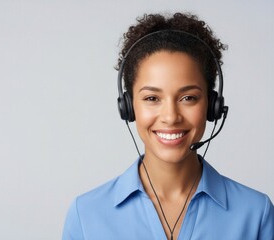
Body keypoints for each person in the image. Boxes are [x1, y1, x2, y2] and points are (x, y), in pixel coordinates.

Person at [62, 12, 274, 240]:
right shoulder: (86, 215)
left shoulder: (255, 213)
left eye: (188, 98)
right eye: (152, 98)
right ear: (128, 106)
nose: (171, 117)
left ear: (212, 106)